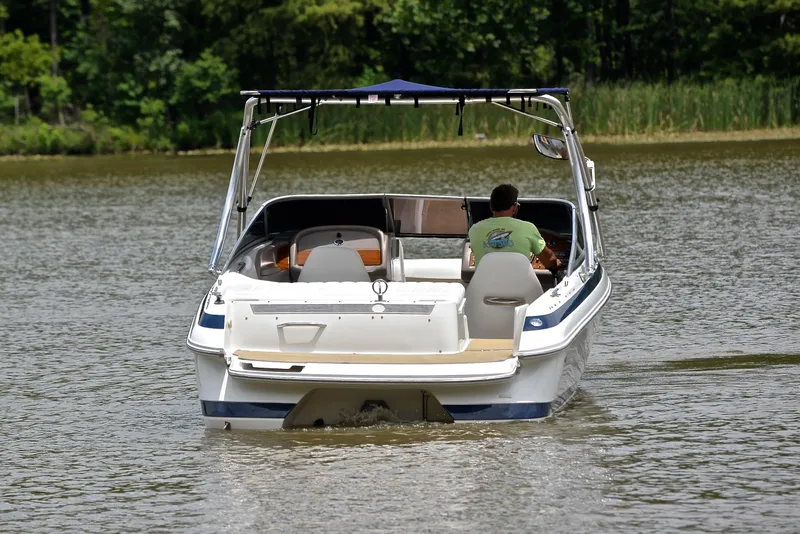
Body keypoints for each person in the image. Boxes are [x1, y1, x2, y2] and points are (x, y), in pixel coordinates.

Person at [468, 184, 563, 273]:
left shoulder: (475, 230)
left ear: (491, 206)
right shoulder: (528, 228)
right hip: (521, 289)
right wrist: (558, 265)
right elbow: (549, 260)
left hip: (484, 289)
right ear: (514, 207)